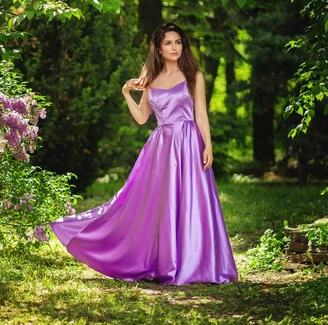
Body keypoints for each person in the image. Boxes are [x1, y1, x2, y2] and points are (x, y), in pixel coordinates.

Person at [50, 22, 238, 285]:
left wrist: (208, 144)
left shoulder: (194, 75)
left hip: (187, 141)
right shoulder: (150, 79)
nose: (174, 47)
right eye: (168, 43)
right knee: (158, 206)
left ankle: (197, 264)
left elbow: (201, 115)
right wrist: (127, 93)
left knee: (192, 201)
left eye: (178, 42)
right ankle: (163, 263)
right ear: (159, 49)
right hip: (161, 148)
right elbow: (141, 118)